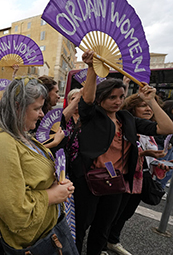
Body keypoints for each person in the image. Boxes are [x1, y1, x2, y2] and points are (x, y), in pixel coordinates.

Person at [71, 50, 173, 255]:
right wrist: (91, 67)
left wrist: (151, 100)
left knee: (102, 230)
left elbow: (167, 127)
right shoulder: (92, 116)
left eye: (121, 97)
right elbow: (88, 99)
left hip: (117, 183)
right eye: (112, 97)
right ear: (101, 100)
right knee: (80, 227)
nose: (118, 101)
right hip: (89, 181)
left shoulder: (127, 119)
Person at [0, 76, 76, 253]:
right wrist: (52, 195)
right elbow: (12, 210)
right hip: (31, 243)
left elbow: (31, 178)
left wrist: (57, 185)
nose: (42, 114)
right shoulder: (0, 142)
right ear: (17, 107)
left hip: (45, 230)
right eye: (37, 108)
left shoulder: (19, 133)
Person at [106, 93, 170, 255]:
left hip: (140, 178)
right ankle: (101, 244)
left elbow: (167, 128)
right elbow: (119, 154)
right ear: (132, 108)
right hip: (123, 176)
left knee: (126, 213)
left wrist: (158, 163)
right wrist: (145, 154)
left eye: (151, 106)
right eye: (143, 105)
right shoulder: (124, 126)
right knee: (112, 214)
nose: (148, 109)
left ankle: (113, 240)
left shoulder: (150, 129)